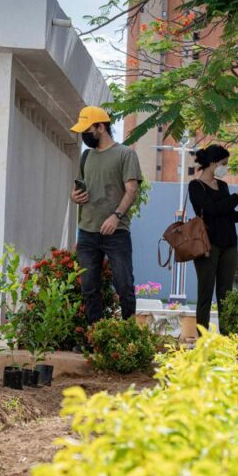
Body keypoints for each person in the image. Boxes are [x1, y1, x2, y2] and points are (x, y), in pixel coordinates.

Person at [69, 106, 142, 325]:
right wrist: (74, 196)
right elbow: (81, 187)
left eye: (87, 129)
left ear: (101, 127)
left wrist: (116, 216)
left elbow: (132, 190)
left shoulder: (125, 154)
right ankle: (96, 334)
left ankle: (129, 333)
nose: (84, 135)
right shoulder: (86, 156)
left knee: (124, 285)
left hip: (116, 232)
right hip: (87, 231)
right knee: (89, 287)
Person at [187, 145, 238, 332]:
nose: (226, 167)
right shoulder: (196, 186)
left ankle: (227, 338)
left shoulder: (223, 186)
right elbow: (212, 210)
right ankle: (203, 341)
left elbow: (231, 216)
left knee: (226, 295)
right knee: (205, 294)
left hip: (229, 244)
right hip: (207, 246)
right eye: (224, 163)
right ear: (214, 162)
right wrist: (237, 197)